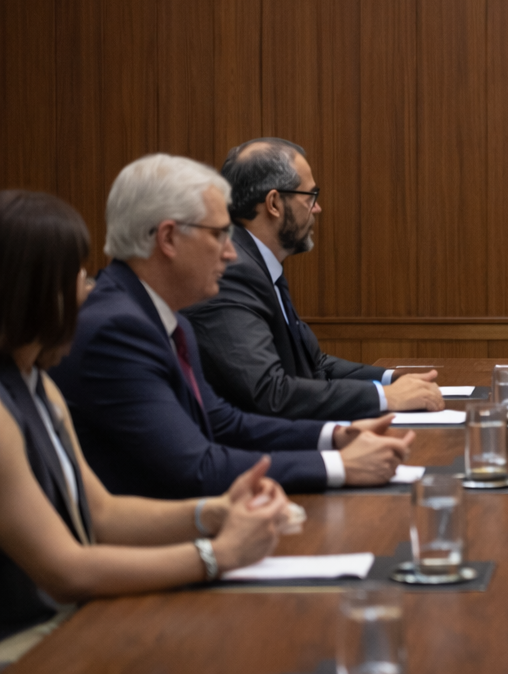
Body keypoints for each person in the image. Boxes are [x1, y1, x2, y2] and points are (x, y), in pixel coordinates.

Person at [0, 190, 290, 662]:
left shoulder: (37, 383)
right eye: (76, 272)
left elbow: (103, 514)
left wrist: (214, 512)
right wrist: (217, 555)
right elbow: (67, 571)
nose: (87, 289)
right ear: (34, 289)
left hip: (66, 623)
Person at [51, 155, 412, 499]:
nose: (229, 252)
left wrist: (337, 435)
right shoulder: (116, 330)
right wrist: (338, 466)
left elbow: (224, 424)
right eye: (218, 235)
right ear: (168, 238)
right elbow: (196, 466)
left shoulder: (163, 316)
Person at [183, 138, 442, 420]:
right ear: (274, 203)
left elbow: (312, 364)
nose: (317, 209)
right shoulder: (233, 271)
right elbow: (268, 392)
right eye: (310, 197)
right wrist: (384, 397)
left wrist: (394, 379)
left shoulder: (258, 264)